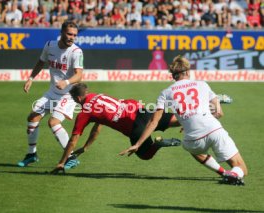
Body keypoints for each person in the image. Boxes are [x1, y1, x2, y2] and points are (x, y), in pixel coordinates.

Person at [120, 55, 248, 186]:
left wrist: (138, 144)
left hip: (193, 138)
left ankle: (224, 173)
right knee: (242, 168)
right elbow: (219, 113)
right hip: (214, 130)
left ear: (173, 75)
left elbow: (154, 121)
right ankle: (234, 174)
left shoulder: (166, 93)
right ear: (187, 72)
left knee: (193, 149)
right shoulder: (203, 84)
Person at [50, 83, 181, 173]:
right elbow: (98, 127)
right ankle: (194, 120)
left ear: (78, 98)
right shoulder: (98, 95)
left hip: (134, 127)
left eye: (73, 99)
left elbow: (73, 140)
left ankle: (157, 144)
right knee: (176, 120)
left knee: (145, 155)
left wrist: (62, 162)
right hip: (141, 111)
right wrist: (86, 147)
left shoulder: (85, 112)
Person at [18, 21, 83, 168]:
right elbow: (41, 62)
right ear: (61, 33)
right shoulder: (49, 45)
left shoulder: (76, 52)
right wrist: (31, 78)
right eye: (69, 34)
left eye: (74, 35)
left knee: (53, 122)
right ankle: (32, 154)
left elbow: (79, 75)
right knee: (32, 117)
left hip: (68, 95)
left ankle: (71, 157)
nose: (72, 37)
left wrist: (66, 82)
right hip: (52, 92)